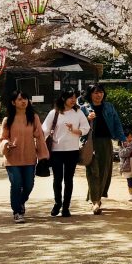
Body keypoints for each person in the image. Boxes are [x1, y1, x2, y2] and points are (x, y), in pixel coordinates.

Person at [0, 91, 49, 223]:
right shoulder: (8, 120)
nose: (24, 101)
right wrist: (6, 144)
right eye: (20, 99)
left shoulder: (34, 117)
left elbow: (39, 137)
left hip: (29, 157)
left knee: (29, 185)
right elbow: (2, 138)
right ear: (13, 102)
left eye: (25, 99)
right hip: (12, 158)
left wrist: (43, 155)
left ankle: (20, 201)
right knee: (16, 184)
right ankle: (17, 211)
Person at [42, 89, 90, 218]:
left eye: (75, 97)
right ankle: (57, 203)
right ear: (63, 98)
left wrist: (76, 131)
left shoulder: (78, 112)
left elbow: (86, 128)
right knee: (57, 179)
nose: (73, 100)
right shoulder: (54, 113)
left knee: (69, 180)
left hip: (72, 151)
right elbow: (44, 130)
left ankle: (66, 207)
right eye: (70, 97)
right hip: (56, 151)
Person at [82, 84, 126, 214]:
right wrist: (86, 118)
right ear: (90, 94)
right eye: (95, 92)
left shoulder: (109, 107)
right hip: (90, 142)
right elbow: (78, 125)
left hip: (106, 142)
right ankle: (95, 201)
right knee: (93, 170)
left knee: (104, 171)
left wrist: (122, 138)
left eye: (100, 92)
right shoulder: (84, 109)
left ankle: (96, 197)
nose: (98, 95)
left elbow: (117, 123)